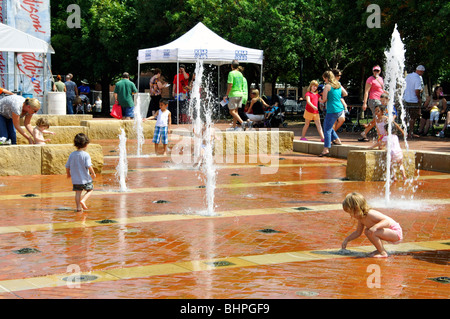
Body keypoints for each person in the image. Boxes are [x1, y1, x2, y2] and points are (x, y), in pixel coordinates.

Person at [341, 192, 403, 258]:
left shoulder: (370, 213)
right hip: (389, 233)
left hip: (396, 232)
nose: (351, 215)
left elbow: (386, 221)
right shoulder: (361, 218)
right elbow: (357, 232)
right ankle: (379, 249)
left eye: (351, 212)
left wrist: (375, 227)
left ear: (357, 208)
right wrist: (347, 239)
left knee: (372, 232)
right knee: (367, 231)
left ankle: (383, 253)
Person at [318, 71, 348, 157]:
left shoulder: (327, 86)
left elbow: (324, 100)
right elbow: (345, 93)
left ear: (326, 78)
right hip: (340, 109)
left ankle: (326, 149)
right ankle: (337, 140)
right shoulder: (338, 85)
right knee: (329, 126)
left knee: (326, 129)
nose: (324, 80)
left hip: (332, 109)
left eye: (324, 78)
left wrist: (319, 100)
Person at [65, 133, 96, 212]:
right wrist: (93, 173)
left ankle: (78, 207)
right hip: (85, 179)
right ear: (85, 144)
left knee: (78, 193)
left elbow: (67, 166)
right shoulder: (85, 155)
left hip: (76, 180)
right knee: (90, 190)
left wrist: (68, 174)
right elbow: (88, 165)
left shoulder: (72, 154)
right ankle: (83, 200)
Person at [223, 60, 246, 130]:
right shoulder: (240, 74)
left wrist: (226, 95)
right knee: (235, 112)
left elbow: (230, 84)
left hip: (233, 94)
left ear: (231, 65)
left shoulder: (231, 73)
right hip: (240, 94)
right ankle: (234, 127)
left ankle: (242, 123)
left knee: (231, 111)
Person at [403, 65, 425, 138]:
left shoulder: (408, 76)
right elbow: (417, 90)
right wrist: (419, 99)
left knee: (406, 116)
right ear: (420, 71)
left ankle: (404, 132)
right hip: (413, 100)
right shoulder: (418, 78)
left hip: (406, 98)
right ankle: (411, 132)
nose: (422, 73)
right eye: (422, 72)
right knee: (413, 117)